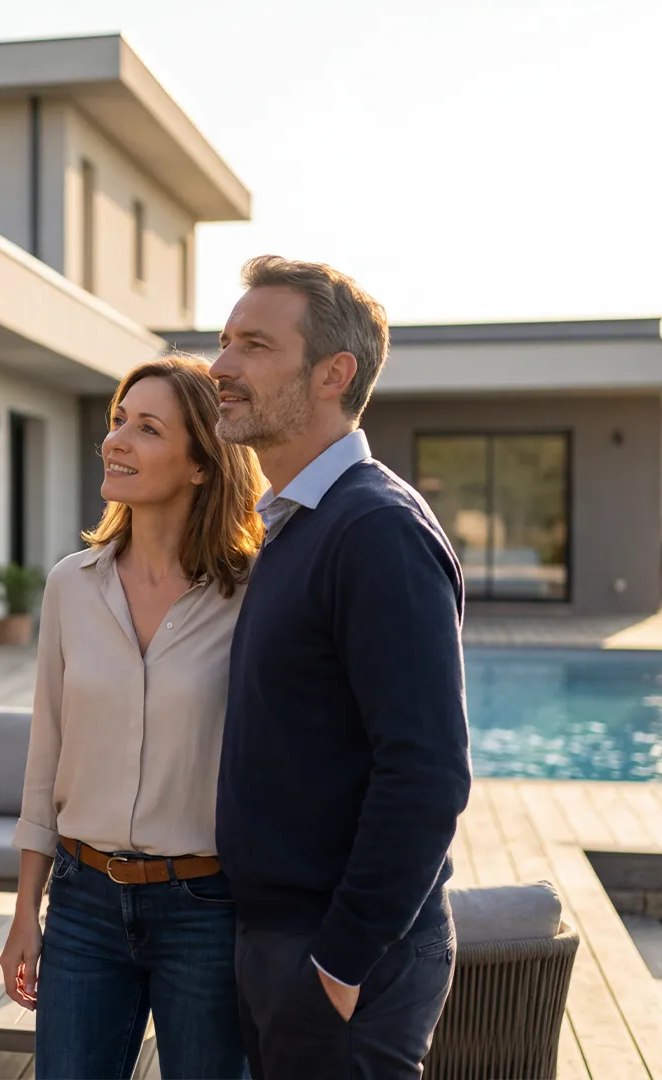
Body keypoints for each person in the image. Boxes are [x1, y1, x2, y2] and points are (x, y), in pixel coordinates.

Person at [209, 255, 473, 1079]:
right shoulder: (295, 524)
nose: (220, 366)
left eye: (253, 346)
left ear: (334, 373)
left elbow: (427, 774)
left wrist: (339, 965)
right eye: (224, 342)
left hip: (336, 958)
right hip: (280, 941)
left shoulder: (375, 529)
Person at [0, 355, 265, 1080]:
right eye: (119, 420)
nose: (117, 439)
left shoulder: (253, 595)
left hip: (209, 908)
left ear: (203, 465)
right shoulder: (70, 586)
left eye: (147, 429)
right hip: (82, 904)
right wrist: (27, 906)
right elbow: (45, 753)